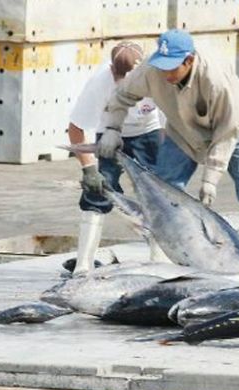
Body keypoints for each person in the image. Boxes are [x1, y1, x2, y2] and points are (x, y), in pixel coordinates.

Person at [97, 29, 239, 270]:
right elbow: (122, 96)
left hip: (232, 130)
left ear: (189, 60)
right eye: (162, 66)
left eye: (172, 67)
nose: (166, 73)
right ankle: (160, 260)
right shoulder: (152, 70)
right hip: (182, 131)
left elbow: (226, 132)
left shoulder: (215, 77)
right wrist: (112, 128)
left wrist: (211, 179)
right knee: (165, 189)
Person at [68, 42, 166, 274]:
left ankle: (160, 257)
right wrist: (89, 169)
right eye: (118, 75)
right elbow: (75, 128)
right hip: (110, 134)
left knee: (157, 194)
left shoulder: (159, 78)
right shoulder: (100, 83)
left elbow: (171, 118)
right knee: (97, 192)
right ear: (112, 69)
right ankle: (83, 264)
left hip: (148, 132)